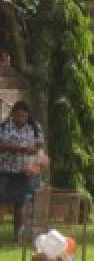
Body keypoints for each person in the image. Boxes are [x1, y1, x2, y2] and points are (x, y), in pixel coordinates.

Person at [0, 100, 46, 240]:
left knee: (20, 204)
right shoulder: (4, 127)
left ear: (28, 116)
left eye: (24, 116)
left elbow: (40, 146)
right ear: (12, 114)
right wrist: (19, 149)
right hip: (4, 170)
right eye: (18, 115)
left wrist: (37, 159)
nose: (21, 119)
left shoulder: (35, 127)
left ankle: (18, 235)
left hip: (24, 171)